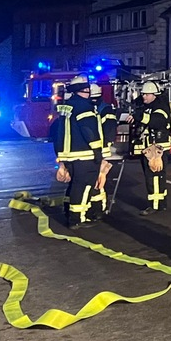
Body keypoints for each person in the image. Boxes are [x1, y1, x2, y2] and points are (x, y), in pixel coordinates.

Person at [50, 76, 106, 228]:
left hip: (70, 156)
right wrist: (98, 151)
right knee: (84, 186)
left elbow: (58, 132)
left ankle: (70, 214)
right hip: (85, 155)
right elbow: (89, 131)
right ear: (85, 90)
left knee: (75, 186)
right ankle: (77, 219)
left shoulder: (67, 106)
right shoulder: (84, 107)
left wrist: (60, 157)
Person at [120, 81, 170, 215]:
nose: (144, 97)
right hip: (149, 149)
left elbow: (157, 121)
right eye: (143, 94)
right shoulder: (145, 106)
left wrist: (139, 116)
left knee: (154, 176)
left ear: (154, 95)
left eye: (147, 94)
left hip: (157, 150)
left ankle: (155, 205)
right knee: (154, 176)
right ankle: (161, 203)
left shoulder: (161, 107)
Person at [88, 83, 117, 215]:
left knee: (99, 181)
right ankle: (96, 208)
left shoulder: (103, 109)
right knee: (96, 181)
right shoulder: (103, 108)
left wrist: (105, 148)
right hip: (96, 151)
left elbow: (109, 131)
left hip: (99, 151)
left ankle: (98, 209)